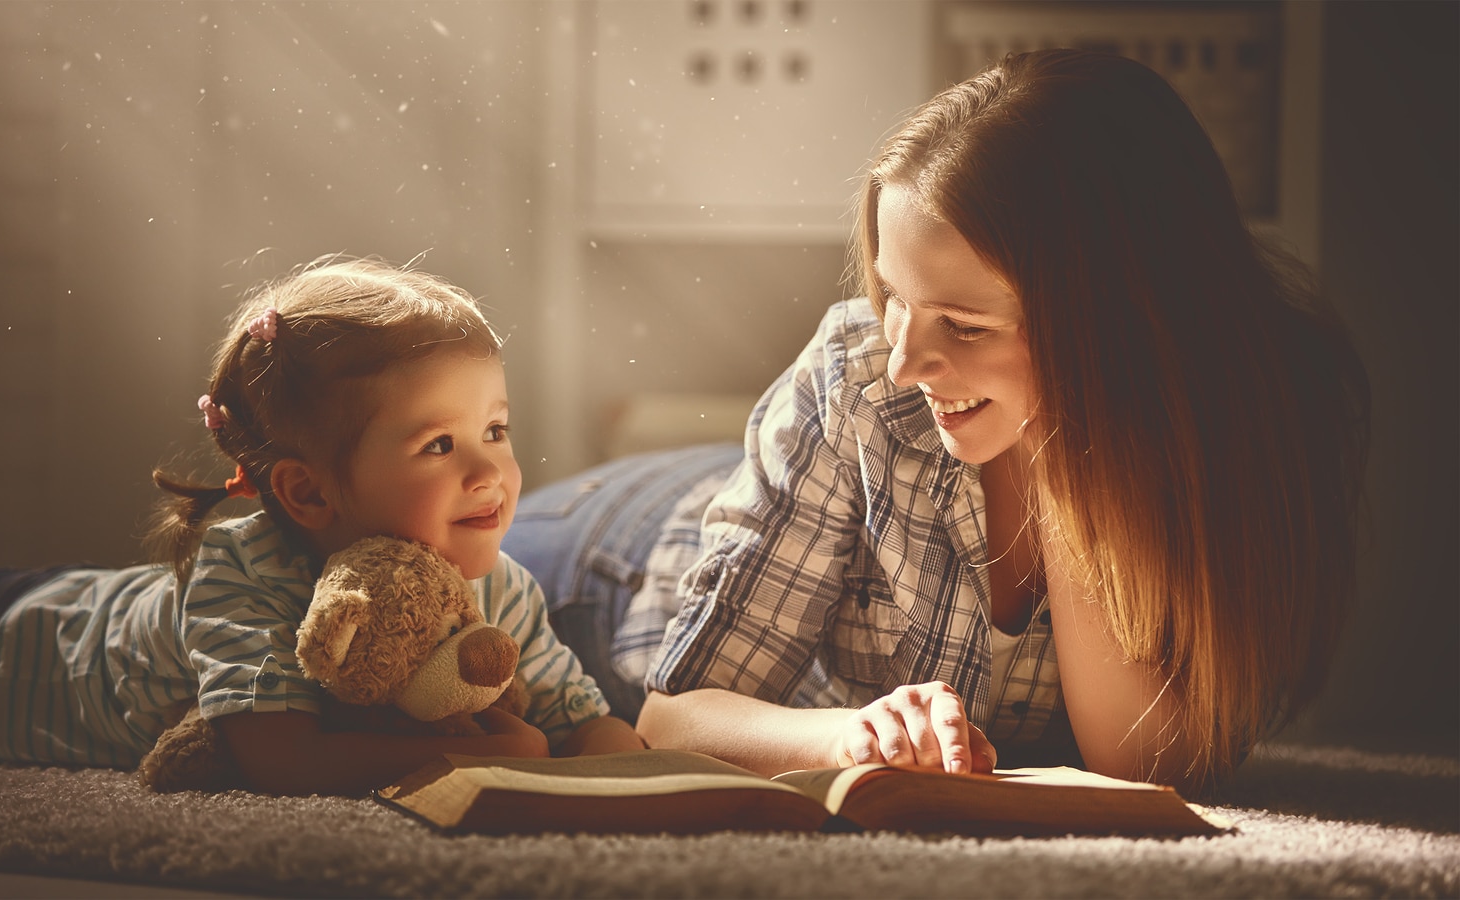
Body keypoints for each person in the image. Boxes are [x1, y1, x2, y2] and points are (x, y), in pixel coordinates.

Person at [503, 49, 1369, 795]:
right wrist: (848, 740)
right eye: (894, 300)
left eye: (966, 325)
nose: (906, 362)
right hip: (604, 557)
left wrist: (1069, 446)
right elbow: (674, 716)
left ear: (1121, 328)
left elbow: (1144, 765)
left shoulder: (1243, 424)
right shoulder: (858, 378)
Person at [0, 255, 643, 795]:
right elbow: (277, 756)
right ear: (307, 495)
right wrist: (500, 752)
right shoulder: (246, 564)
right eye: (439, 445)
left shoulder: (500, 588)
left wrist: (632, 769)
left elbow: (581, 723)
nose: (489, 473)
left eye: (496, 432)